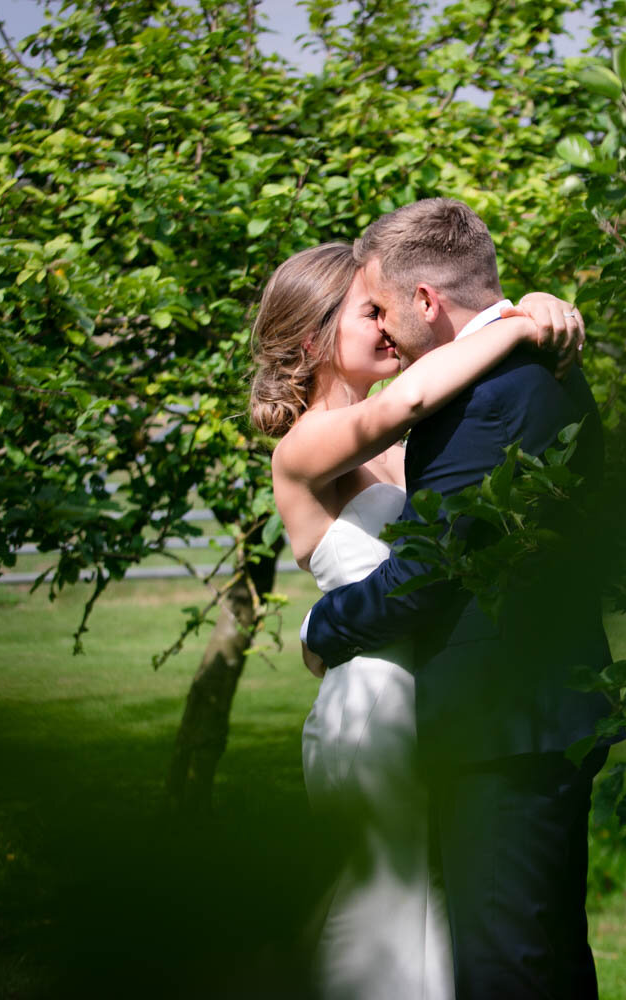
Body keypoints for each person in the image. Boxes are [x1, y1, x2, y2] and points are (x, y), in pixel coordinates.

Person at [249, 238, 586, 999]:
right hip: (370, 705)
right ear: (312, 339)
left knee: (446, 907)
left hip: (436, 691)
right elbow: (408, 397)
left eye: (388, 307)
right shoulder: (304, 449)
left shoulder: (412, 437)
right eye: (367, 311)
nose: (389, 323)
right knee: (389, 909)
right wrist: (518, 324)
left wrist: (526, 306)